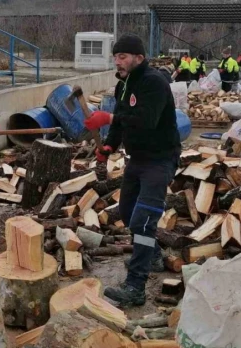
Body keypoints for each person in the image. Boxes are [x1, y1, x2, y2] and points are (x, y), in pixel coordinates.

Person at [82, 34, 180, 307]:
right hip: (137, 159)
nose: (118, 62)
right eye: (115, 57)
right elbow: (121, 125)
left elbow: (146, 120)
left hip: (160, 160)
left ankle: (135, 286)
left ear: (139, 57)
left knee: (144, 220)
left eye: (122, 57)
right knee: (126, 212)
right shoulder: (122, 86)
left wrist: (110, 116)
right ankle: (154, 254)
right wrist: (109, 145)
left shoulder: (154, 83)